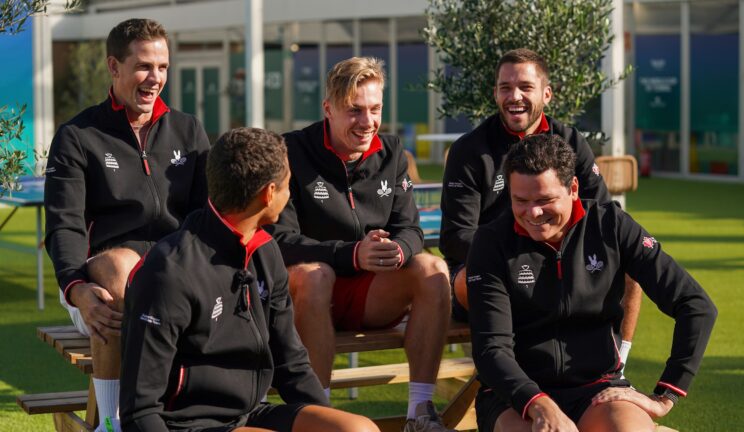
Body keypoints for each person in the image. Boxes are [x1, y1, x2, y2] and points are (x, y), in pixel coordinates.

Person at [120, 128, 379, 432]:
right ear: (269, 194)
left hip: (251, 414)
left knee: (357, 429)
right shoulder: (169, 272)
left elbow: (291, 364)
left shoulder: (266, 253)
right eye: (287, 185)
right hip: (188, 425)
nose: (290, 193)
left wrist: (324, 419)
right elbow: (140, 412)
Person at [466, 133, 717, 432]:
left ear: (573, 188)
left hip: (597, 388)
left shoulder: (611, 224)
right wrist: (539, 404)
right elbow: (491, 349)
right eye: (520, 200)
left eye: (545, 200)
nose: (532, 213)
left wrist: (666, 395)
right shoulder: (491, 242)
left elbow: (695, 305)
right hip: (515, 395)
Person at [267, 57, 454, 432]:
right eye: (354, 110)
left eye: (374, 109)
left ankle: (419, 413)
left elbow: (411, 229)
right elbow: (279, 241)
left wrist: (398, 250)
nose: (367, 122)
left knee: (433, 269)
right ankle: (316, 414)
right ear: (328, 109)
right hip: (305, 296)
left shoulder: (392, 152)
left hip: (370, 293)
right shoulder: (291, 151)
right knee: (316, 275)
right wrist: (351, 254)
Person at [44, 18, 209, 431]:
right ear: (114, 67)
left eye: (163, 67)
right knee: (118, 269)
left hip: (172, 274)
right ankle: (114, 423)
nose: (155, 78)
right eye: (144, 66)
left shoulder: (188, 130)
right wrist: (75, 288)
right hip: (97, 284)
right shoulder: (78, 136)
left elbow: (208, 215)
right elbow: (63, 225)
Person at [440, 48, 642, 369]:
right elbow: (455, 237)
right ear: (495, 93)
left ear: (547, 94)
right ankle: (507, 376)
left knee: (630, 257)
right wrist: (516, 256)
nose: (514, 96)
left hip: (562, 267)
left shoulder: (571, 142)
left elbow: (602, 218)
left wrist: (562, 257)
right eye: (505, 88)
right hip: (494, 271)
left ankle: (617, 362)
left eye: (525, 87)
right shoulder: (470, 150)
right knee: (466, 279)